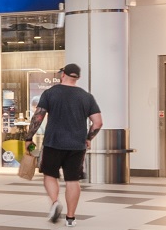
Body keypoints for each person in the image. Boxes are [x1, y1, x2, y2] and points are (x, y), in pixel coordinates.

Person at [27, 64, 103, 227]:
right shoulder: (86, 96)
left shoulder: (50, 93)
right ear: (78, 77)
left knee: (49, 175)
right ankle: (70, 218)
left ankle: (55, 203)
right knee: (72, 180)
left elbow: (38, 117)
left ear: (63, 75)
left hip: (53, 143)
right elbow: (97, 122)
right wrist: (89, 137)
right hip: (77, 145)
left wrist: (28, 137)